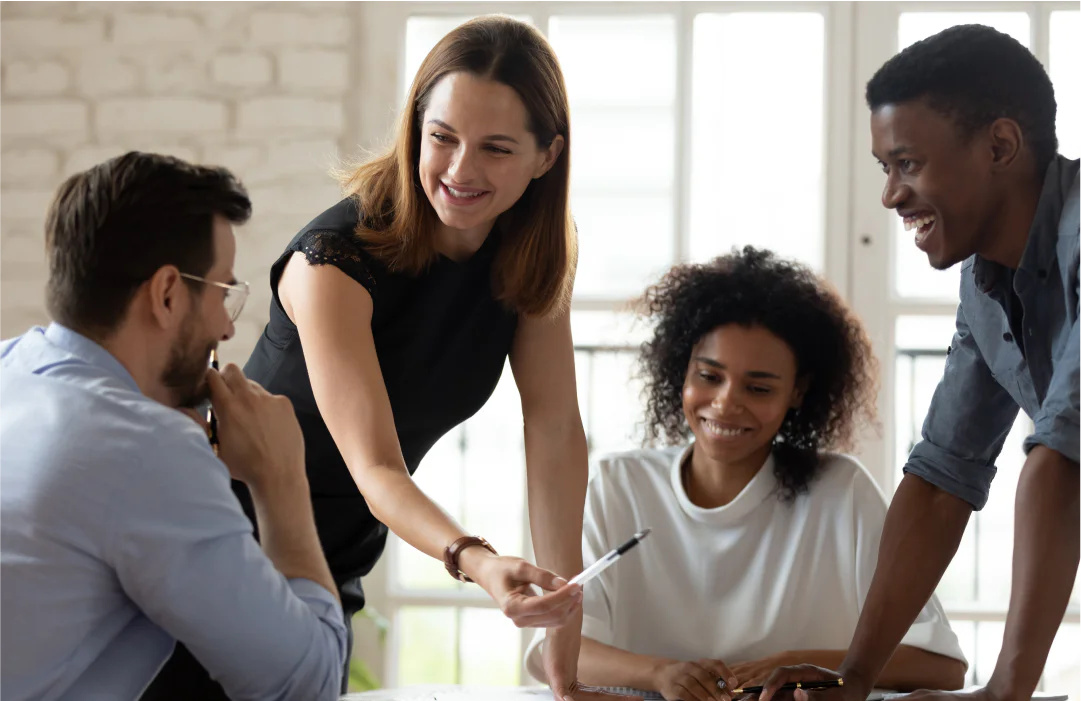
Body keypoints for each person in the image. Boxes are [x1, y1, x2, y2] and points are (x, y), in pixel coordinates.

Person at [150, 15, 616, 701]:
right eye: (442, 137)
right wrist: (476, 559)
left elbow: (552, 432)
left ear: (546, 156)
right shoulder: (332, 260)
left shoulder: (531, 254)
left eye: (495, 148)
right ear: (414, 128)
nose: (460, 170)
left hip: (329, 557)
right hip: (218, 543)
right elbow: (374, 466)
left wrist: (563, 663)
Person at [760, 24, 1081, 701]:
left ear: (998, 145)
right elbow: (940, 480)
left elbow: (1062, 457)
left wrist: (1005, 691)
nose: (889, 196)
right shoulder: (985, 281)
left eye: (907, 163)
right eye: (885, 168)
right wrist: (853, 678)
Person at [522, 247, 969, 701]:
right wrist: (662, 674)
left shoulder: (842, 492)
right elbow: (553, 654)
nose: (726, 403)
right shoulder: (619, 487)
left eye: (758, 388)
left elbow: (942, 667)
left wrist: (791, 662)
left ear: (798, 392)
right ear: (682, 371)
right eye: (709, 376)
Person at [0, 152, 348, 701]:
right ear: (166, 294)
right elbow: (307, 684)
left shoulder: (10, 369)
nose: (226, 329)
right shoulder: (143, 448)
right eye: (221, 293)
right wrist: (281, 479)